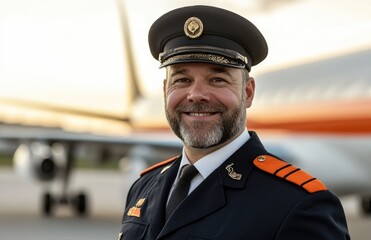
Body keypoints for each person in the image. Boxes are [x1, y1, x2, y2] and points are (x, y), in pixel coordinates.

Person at [118, 5, 350, 240]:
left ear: (247, 93)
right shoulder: (144, 188)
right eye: (182, 79)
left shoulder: (298, 206)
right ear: (166, 90)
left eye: (217, 79)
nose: (196, 94)